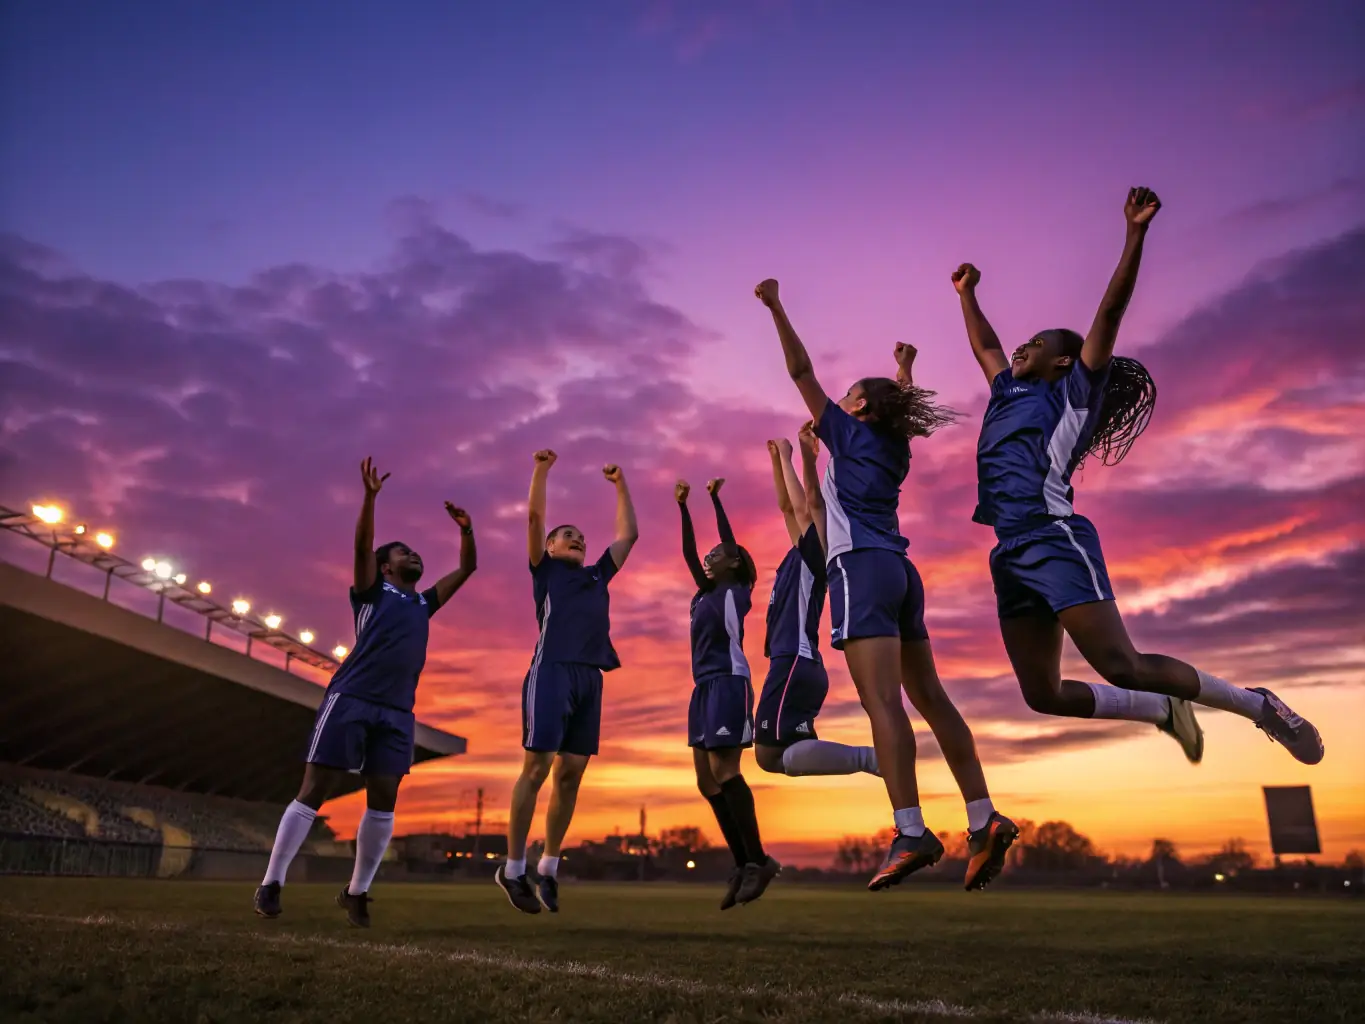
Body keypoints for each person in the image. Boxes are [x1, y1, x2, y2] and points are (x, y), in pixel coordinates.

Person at [951, 186, 1323, 770]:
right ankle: (1161, 712)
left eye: (1039, 343)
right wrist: (968, 296)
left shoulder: (1074, 397)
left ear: (1066, 362)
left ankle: (1257, 705)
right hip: (1009, 551)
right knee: (1042, 695)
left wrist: (1134, 235)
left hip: (1053, 538)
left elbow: (1109, 314)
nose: (1024, 346)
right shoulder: (1009, 390)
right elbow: (989, 346)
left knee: (1120, 664)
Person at [755, 280, 1015, 892]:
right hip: (902, 572)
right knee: (933, 700)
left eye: (846, 398)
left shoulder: (850, 432)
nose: (837, 402)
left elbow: (800, 369)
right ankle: (983, 818)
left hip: (861, 571)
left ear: (861, 410)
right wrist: (903, 370)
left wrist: (775, 306)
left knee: (883, 706)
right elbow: (889, 406)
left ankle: (911, 831)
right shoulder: (892, 443)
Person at [254, 457, 477, 926]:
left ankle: (357, 892)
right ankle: (272, 882)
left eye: (416, 552)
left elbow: (468, 568)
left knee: (384, 798)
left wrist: (466, 530)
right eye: (404, 552)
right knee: (316, 787)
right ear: (383, 565)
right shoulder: (371, 591)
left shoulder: (423, 602)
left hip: (397, 711)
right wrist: (371, 497)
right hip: (351, 698)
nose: (414, 555)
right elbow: (362, 543)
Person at [497, 450, 639, 915]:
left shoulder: (598, 574)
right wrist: (540, 468)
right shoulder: (546, 569)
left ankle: (548, 868)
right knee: (536, 769)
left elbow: (629, 535)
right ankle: (513, 868)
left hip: (590, 678)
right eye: (567, 536)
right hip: (552, 671)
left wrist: (620, 485)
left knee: (571, 775)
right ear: (552, 548)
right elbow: (536, 516)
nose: (576, 539)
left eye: (580, 537)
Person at [676, 478, 779, 909]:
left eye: (718, 554)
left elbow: (728, 541)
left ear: (733, 563)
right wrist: (682, 506)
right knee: (706, 779)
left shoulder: (738, 591)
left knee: (726, 769)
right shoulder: (702, 595)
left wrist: (715, 497)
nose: (710, 556)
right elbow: (688, 553)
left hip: (729, 682)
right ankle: (743, 863)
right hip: (702, 688)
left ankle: (758, 861)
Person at [754, 436, 878, 780]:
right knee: (772, 756)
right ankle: (873, 759)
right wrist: (778, 459)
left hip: (796, 659)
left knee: (768, 754)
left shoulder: (819, 550)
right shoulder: (801, 552)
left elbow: (803, 509)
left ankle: (874, 759)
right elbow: (786, 508)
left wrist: (792, 457)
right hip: (796, 660)